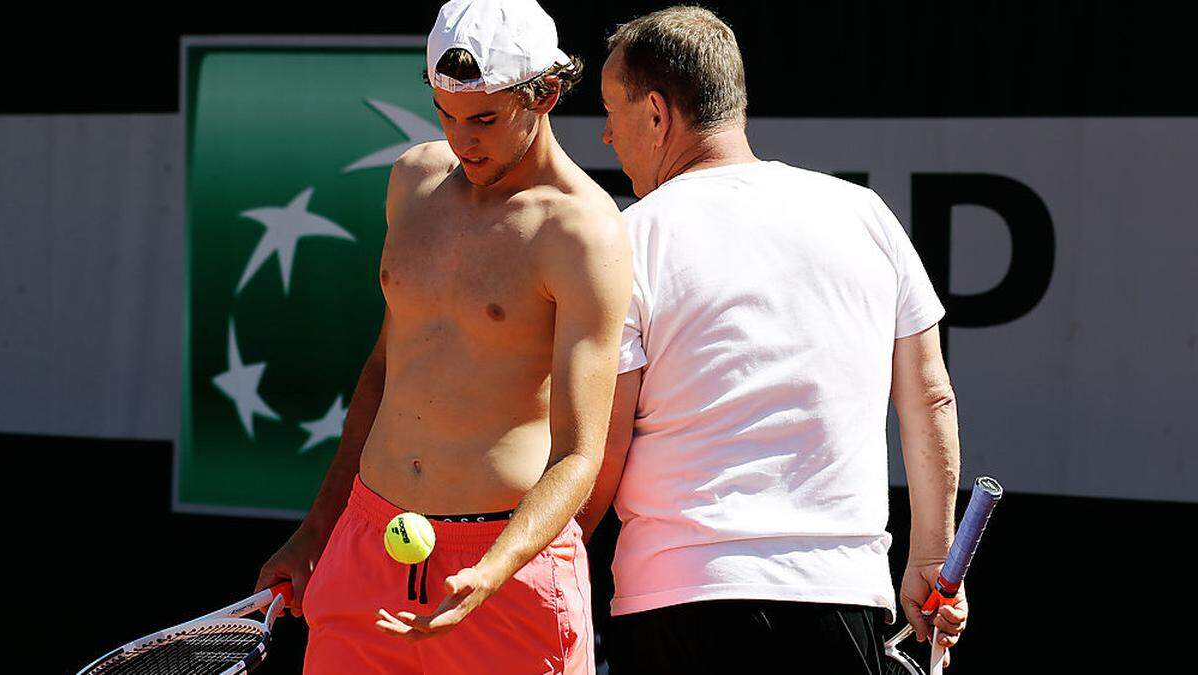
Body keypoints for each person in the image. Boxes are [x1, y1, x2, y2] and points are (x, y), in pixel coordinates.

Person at [574, 7, 968, 674]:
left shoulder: (630, 237)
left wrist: (540, 558)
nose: (608, 136)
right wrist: (932, 562)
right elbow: (930, 395)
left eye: (613, 110)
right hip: (839, 598)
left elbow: (604, 444)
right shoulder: (867, 215)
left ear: (658, 115)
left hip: (680, 601)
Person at [255, 1, 631, 673]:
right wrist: (317, 529)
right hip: (367, 545)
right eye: (446, 114)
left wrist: (496, 568)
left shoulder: (584, 231)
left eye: (484, 118)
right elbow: (382, 370)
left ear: (543, 93)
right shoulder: (412, 180)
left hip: (505, 568)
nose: (463, 140)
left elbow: (580, 453)